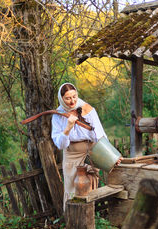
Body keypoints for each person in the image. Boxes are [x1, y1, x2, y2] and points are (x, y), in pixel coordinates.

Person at [51, 82, 121, 211]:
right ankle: (72, 221)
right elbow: (60, 144)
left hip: (92, 152)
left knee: (90, 186)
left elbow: (100, 135)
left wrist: (112, 156)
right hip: (72, 155)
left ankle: (90, 220)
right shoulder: (58, 115)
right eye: (68, 98)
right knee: (72, 188)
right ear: (61, 99)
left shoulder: (88, 109)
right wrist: (68, 128)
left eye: (74, 96)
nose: (72, 101)